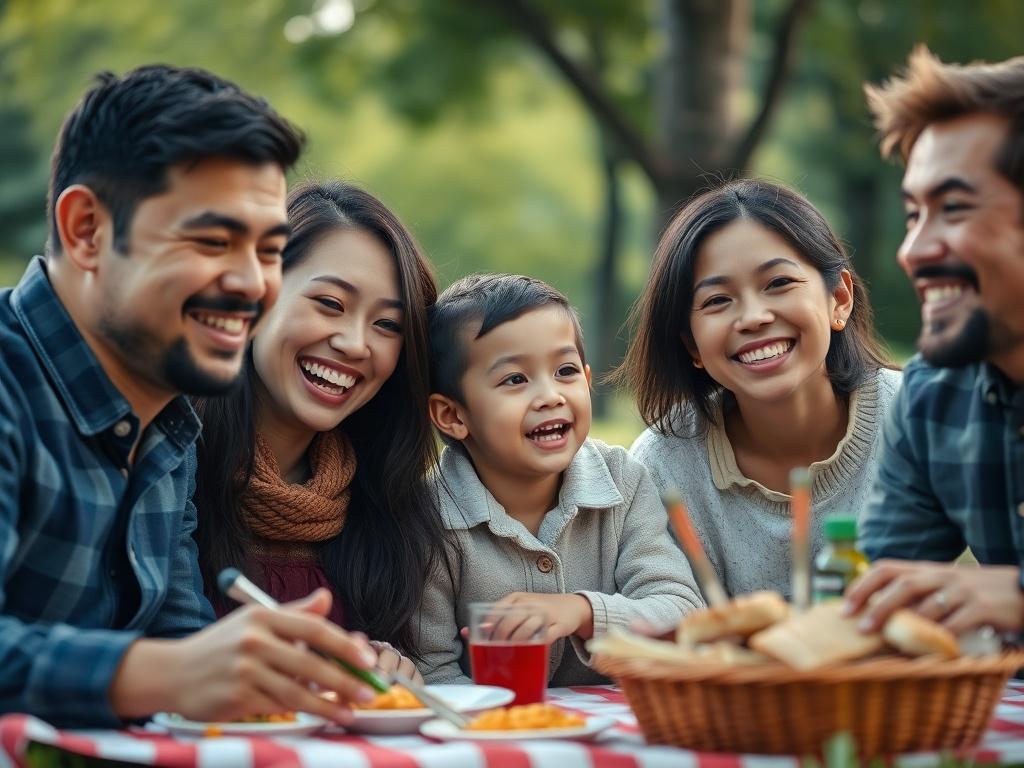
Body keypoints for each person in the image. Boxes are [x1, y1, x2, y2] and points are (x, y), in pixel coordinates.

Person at [0, 66, 379, 728]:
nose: (251, 283)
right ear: (87, 229)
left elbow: (184, 648)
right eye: (212, 241)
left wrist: (279, 672)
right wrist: (164, 674)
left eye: (268, 251)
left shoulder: (171, 425)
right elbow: (173, 670)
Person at [193, 180, 450, 681]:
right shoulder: (170, 462)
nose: (355, 344)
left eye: (387, 325)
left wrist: (385, 667)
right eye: (331, 304)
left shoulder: (391, 505)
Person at [415, 273, 703, 686]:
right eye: (515, 379)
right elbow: (430, 668)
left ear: (587, 380)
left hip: (614, 733)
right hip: (492, 736)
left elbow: (681, 612)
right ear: (453, 416)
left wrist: (581, 612)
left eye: (565, 371)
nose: (551, 395)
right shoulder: (428, 517)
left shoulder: (623, 483)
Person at [620, 179, 901, 598]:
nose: (753, 317)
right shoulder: (661, 466)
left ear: (839, 299)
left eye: (778, 284)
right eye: (717, 300)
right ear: (692, 345)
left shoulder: (914, 415)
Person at [844, 48, 1024, 636]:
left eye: (952, 208)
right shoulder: (932, 397)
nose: (913, 251)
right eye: (913, 214)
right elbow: (877, 613)